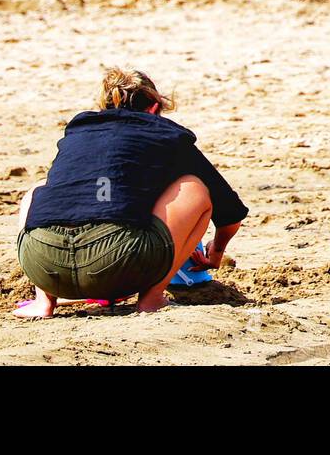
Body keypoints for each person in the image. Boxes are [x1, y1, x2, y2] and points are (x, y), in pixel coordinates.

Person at [14, 68, 248, 317]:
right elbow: (230, 214)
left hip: (44, 265)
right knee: (195, 188)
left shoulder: (78, 132)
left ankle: (43, 302)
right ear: (155, 107)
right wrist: (217, 251)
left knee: (38, 190)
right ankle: (152, 299)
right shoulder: (166, 134)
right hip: (116, 263)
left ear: (104, 107)